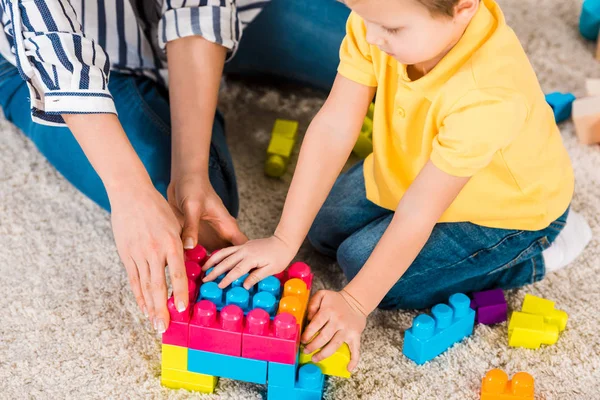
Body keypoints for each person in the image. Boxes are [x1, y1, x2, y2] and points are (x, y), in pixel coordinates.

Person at [202, 0, 593, 372]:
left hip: (505, 213)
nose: (372, 37)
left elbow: (421, 209)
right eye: (361, 16)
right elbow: (335, 125)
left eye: (390, 28)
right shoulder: (378, 18)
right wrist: (284, 239)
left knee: (367, 270)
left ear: (464, 7)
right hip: (415, 167)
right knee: (322, 229)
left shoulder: (488, 92)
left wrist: (355, 303)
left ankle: (537, 253)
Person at [0, 0, 351, 333]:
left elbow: (199, 7)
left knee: (391, 44)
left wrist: (192, 170)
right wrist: (129, 191)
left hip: (220, 17)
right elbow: (54, 50)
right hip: (50, 59)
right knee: (195, 229)